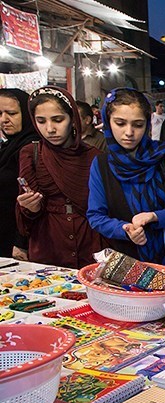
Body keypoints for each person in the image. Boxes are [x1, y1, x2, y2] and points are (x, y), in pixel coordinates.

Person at [87, 88, 165, 265]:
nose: (129, 132)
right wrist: (125, 229)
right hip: (123, 261)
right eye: (120, 123)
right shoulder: (101, 164)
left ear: (148, 124)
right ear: (108, 122)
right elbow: (96, 216)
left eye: (138, 125)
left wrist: (156, 217)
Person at [15, 86, 104, 269]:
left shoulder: (94, 156)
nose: (50, 129)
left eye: (58, 120)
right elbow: (27, 214)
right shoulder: (31, 153)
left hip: (89, 242)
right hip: (48, 244)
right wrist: (29, 206)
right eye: (41, 121)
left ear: (73, 119)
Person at [0, 89, 37, 259]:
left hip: (18, 241)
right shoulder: (9, 146)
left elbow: (32, 200)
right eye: (0, 114)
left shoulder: (32, 148)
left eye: (12, 113)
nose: (4, 119)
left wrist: (21, 241)